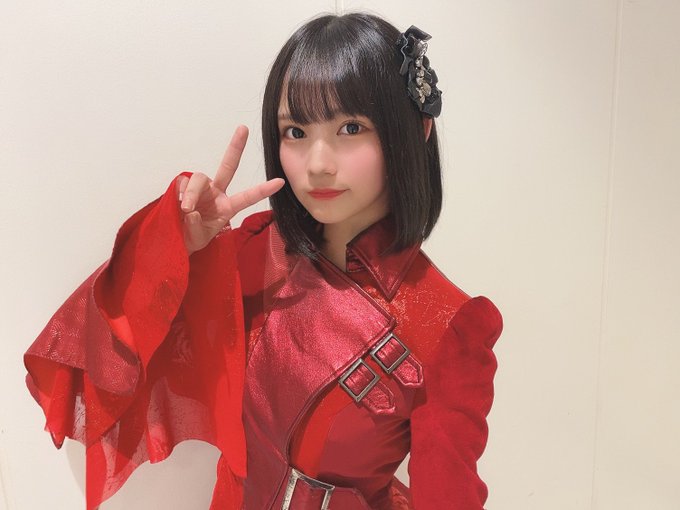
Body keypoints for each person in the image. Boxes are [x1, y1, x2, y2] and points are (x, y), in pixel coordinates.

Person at [24, 12, 503, 510]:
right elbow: (102, 354)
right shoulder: (257, 251)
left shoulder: (448, 324)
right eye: (295, 131)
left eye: (350, 127)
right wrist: (175, 246)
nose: (317, 164)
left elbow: (448, 496)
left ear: (416, 129)